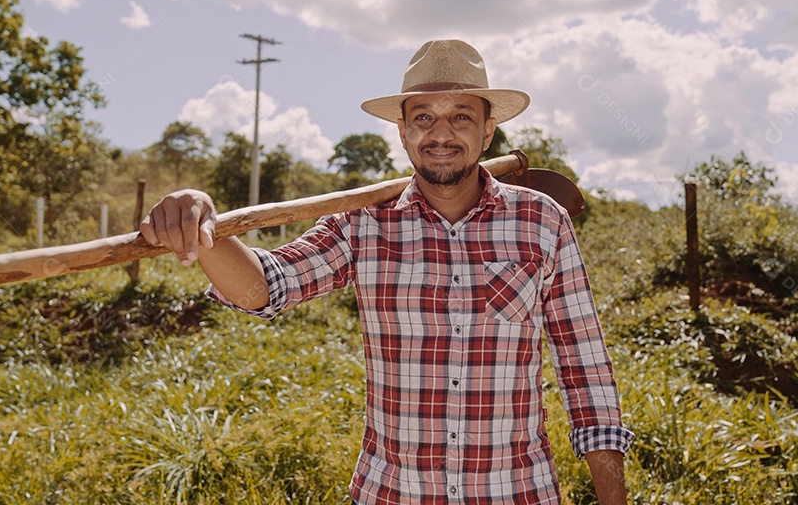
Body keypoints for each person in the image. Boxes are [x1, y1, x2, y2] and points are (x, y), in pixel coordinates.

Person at [141, 39, 634, 504]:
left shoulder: (542, 221)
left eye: (461, 116)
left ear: (488, 130)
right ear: (403, 131)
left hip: (518, 492)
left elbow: (586, 371)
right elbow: (264, 286)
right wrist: (203, 223)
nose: (441, 133)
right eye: (424, 117)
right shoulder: (362, 224)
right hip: (392, 492)